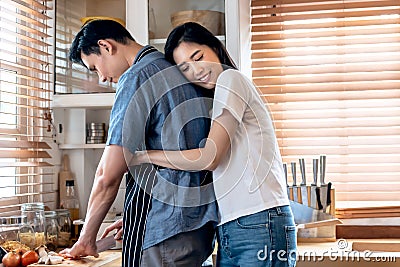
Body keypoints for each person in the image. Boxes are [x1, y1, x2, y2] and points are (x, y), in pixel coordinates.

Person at [131, 22, 297, 267]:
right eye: (185, 68)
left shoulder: (232, 79)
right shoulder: (219, 95)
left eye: (198, 57)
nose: (196, 71)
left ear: (215, 47)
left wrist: (145, 156)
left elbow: (209, 158)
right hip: (233, 226)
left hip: (260, 221)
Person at [59, 19, 218, 267]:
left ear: (105, 46)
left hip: (164, 230)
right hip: (197, 227)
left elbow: (107, 175)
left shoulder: (136, 77)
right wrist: (136, 216)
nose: (101, 78)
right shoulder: (173, 68)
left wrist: (86, 238)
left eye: (94, 67)